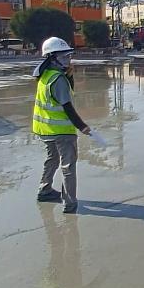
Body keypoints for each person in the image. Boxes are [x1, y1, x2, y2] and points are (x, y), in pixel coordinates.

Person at [33, 37, 91, 214]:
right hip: (62, 132)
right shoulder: (57, 79)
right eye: (64, 57)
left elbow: (62, 96)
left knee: (52, 159)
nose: (68, 60)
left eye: (69, 56)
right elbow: (67, 106)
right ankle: (70, 203)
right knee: (68, 166)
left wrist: (69, 76)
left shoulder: (45, 74)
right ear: (52, 57)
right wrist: (82, 126)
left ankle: (45, 190)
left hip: (45, 130)